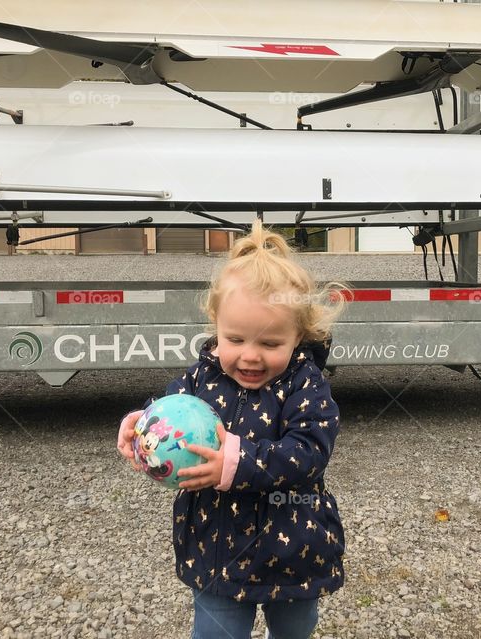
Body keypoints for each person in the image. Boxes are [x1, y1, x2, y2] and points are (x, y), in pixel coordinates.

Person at [118, 220, 347, 639]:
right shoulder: (202, 375)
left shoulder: (306, 384)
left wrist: (236, 462)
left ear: (298, 335)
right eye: (235, 339)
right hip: (215, 548)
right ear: (215, 326)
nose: (250, 357)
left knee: (294, 631)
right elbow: (170, 410)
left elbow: (309, 452)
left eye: (270, 344)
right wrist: (140, 423)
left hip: (291, 547)